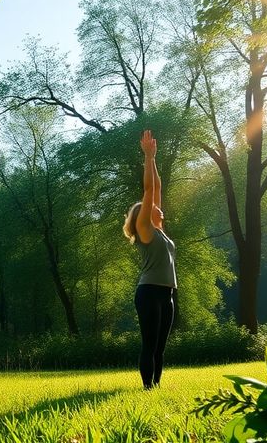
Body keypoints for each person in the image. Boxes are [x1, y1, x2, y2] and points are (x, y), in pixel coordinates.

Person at [123, 129, 177, 390]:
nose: (157, 204)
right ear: (142, 215)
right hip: (149, 293)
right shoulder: (146, 229)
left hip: (166, 294)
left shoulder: (160, 231)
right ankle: (147, 388)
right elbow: (149, 189)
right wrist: (146, 156)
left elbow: (157, 187)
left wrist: (154, 158)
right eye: (150, 205)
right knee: (149, 343)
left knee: (160, 347)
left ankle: (156, 387)